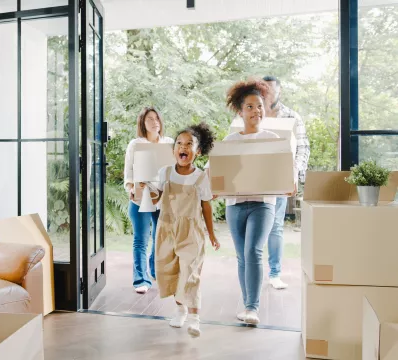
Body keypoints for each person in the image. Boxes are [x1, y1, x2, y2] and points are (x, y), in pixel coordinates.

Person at [221, 79, 296, 325]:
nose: (257, 111)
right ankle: (246, 305)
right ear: (241, 111)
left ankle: (252, 308)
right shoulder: (230, 141)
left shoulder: (273, 138)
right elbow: (217, 172)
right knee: (242, 256)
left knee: (253, 250)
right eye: (251, 107)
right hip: (235, 204)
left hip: (263, 203)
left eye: (260, 106)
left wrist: (291, 181)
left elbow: (286, 168)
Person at [153, 122, 220, 338]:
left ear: (198, 151)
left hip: (191, 232)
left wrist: (211, 234)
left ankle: (195, 318)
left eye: (189, 144)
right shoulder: (164, 173)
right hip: (167, 230)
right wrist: (143, 190)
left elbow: (206, 206)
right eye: (179, 143)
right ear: (174, 150)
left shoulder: (200, 178)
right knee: (171, 271)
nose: (183, 147)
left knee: (191, 273)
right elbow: (155, 199)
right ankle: (180, 309)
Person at [262, 75, 310, 290]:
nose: (269, 94)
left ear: (279, 91)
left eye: (272, 90)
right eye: (265, 90)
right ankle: (250, 271)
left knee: (276, 227)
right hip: (254, 178)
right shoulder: (251, 112)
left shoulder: (291, 116)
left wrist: (295, 176)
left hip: (280, 178)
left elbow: (302, 147)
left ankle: (275, 273)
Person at [124, 106, 174, 294]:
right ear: (143, 124)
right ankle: (140, 279)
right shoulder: (135, 144)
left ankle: (154, 271)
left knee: (160, 239)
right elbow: (128, 171)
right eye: (149, 119)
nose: (154, 122)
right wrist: (130, 187)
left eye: (156, 119)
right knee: (140, 240)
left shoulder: (169, 143)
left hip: (162, 198)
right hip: (141, 198)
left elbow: (174, 169)